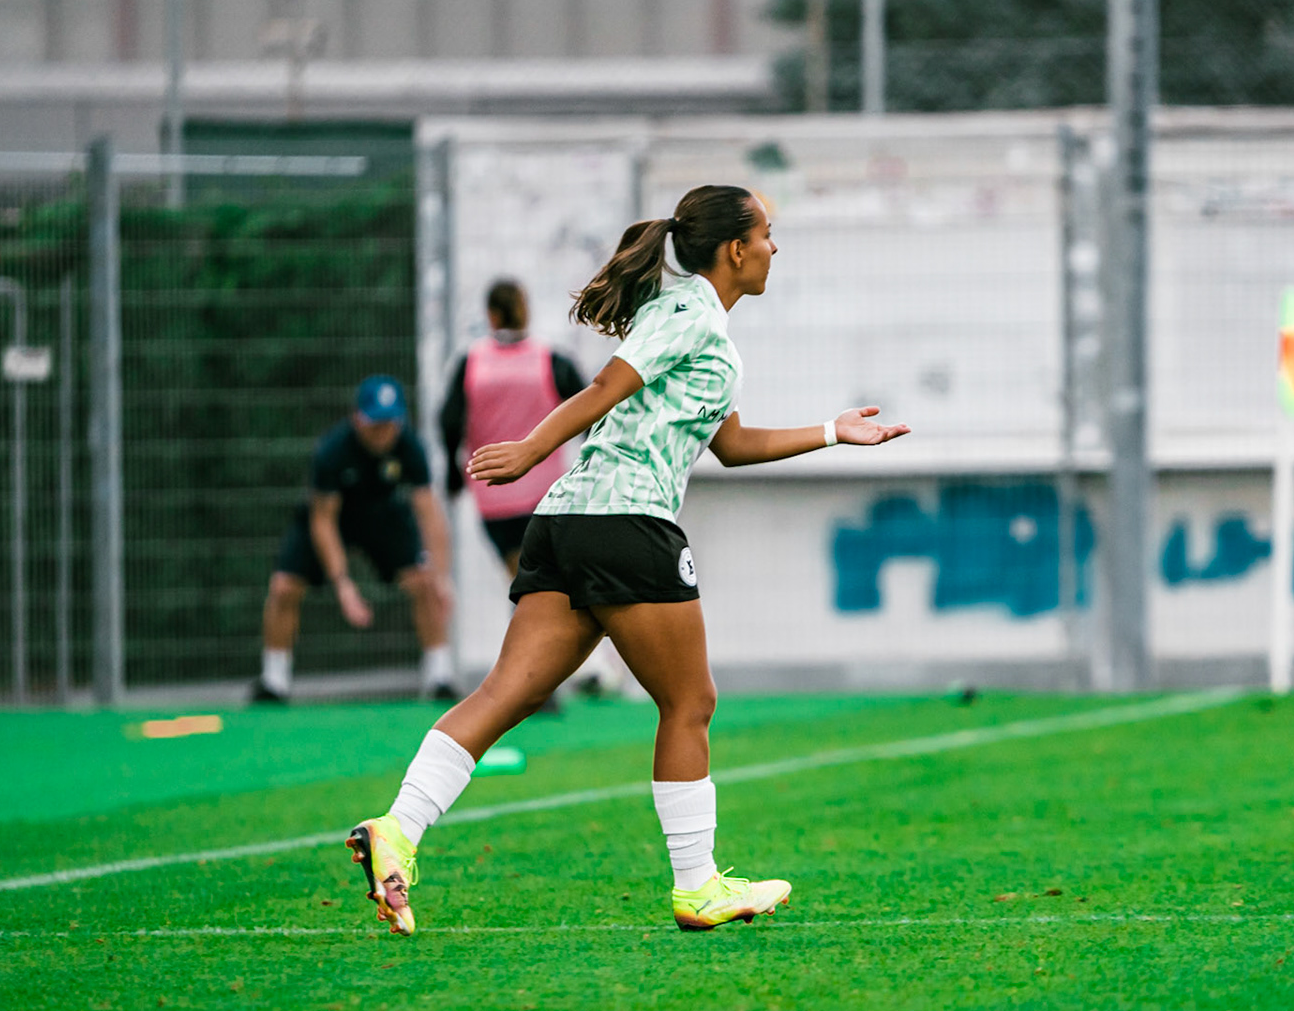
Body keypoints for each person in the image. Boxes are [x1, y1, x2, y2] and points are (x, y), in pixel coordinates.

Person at [344, 184, 910, 937]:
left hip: (570, 524)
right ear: (735, 249)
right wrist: (532, 450)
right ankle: (697, 886)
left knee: (506, 695)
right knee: (690, 704)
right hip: (625, 522)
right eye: (769, 234)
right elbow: (608, 386)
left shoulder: (699, 325)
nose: (776, 247)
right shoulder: (686, 313)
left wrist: (834, 433)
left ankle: (398, 828)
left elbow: (732, 447)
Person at [253, 375, 458, 704]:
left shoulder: (409, 445)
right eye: (376, 424)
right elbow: (323, 521)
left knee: (425, 582)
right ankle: (274, 680)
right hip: (333, 519)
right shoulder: (333, 450)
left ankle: (440, 675)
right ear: (357, 419)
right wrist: (343, 584)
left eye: (391, 424)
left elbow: (429, 513)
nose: (384, 432)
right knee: (284, 586)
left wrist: (443, 576)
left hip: (383, 516)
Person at [439, 279, 586, 578]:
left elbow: (449, 421)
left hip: (494, 496)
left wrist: (452, 474)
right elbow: (589, 411)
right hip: (546, 493)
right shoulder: (550, 360)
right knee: (546, 578)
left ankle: (531, 621)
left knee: (523, 578)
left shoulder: (472, 363)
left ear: (491, 314)